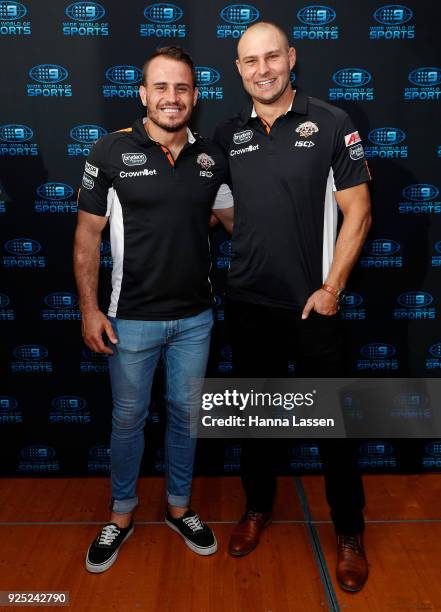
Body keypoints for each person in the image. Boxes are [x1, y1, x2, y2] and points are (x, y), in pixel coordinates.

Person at [214, 22, 372, 592]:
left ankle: (349, 532)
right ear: (238, 70)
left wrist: (331, 289)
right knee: (257, 421)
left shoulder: (331, 122)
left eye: (272, 57)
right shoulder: (228, 135)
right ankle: (257, 508)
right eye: (250, 61)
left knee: (335, 425)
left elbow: (359, 212)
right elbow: (218, 207)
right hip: (250, 303)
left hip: (314, 306)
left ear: (291, 58)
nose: (262, 69)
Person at [73, 45, 233, 573]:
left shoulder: (211, 158)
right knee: (128, 420)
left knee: (187, 419)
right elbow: (86, 237)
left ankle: (179, 508)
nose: (171, 97)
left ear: (195, 95)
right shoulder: (109, 151)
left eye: (182, 88)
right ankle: (121, 515)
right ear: (142, 94)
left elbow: (231, 221)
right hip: (130, 318)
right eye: (160, 87)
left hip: (195, 319)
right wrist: (90, 310)